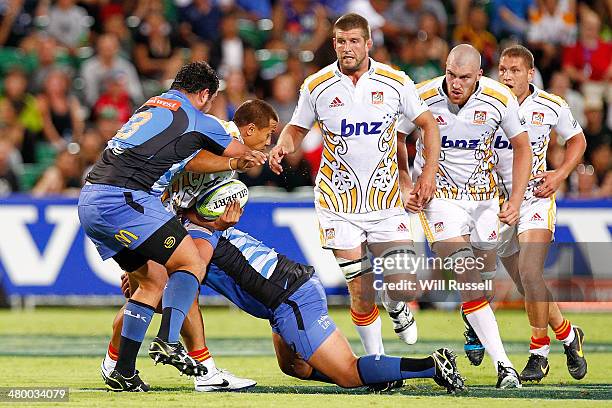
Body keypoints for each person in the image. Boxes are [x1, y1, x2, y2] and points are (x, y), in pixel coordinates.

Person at [78, 61, 262, 391]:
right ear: (205, 94)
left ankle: (123, 370)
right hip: (125, 198)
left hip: (92, 197)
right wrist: (256, 156)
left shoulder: (153, 103)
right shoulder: (197, 118)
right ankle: (168, 340)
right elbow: (240, 152)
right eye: (211, 98)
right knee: (191, 262)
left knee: (153, 281)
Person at [270, 13, 441, 356]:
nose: (346, 48)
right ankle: (376, 361)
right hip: (338, 203)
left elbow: (428, 125)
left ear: (368, 43)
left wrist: (427, 175)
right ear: (333, 44)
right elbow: (296, 129)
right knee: (360, 290)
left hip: (387, 199)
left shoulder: (396, 82)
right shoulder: (317, 86)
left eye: (353, 41)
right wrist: (281, 146)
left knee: (403, 284)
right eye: (340, 42)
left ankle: (396, 305)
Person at [413, 44, 533, 388]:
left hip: (484, 201)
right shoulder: (421, 95)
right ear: (445, 68)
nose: (455, 83)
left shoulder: (499, 98)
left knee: (482, 278)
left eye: (464, 77)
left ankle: (473, 322)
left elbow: (522, 147)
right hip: (440, 200)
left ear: (479, 75)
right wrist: (410, 179)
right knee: (467, 276)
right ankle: (505, 367)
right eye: (450, 74)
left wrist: (517, 198)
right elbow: (395, 134)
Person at [493, 45, 587, 382]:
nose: (507, 76)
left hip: (535, 197)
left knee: (531, 273)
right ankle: (568, 334)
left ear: (530, 74)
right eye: (503, 69)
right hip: (497, 204)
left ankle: (538, 353)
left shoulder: (550, 105)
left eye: (515, 70)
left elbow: (578, 140)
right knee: (525, 283)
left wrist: (559, 175)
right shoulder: (486, 102)